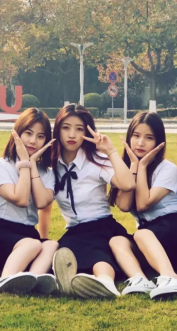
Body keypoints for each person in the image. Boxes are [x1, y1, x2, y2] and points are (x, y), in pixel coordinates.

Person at [46, 104, 136, 299]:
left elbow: (128, 184)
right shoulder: (52, 165)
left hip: (102, 226)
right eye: (66, 128)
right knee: (61, 253)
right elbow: (44, 205)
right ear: (58, 130)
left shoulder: (97, 160)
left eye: (79, 129)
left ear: (87, 132)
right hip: (75, 230)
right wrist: (43, 237)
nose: (72, 135)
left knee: (97, 251)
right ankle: (70, 282)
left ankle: (106, 283)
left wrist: (110, 151)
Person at [108, 112, 177, 299]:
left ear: (158, 142)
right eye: (136, 136)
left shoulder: (167, 169)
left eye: (149, 138)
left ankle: (171, 278)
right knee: (117, 241)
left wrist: (142, 166)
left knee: (142, 234)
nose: (140, 143)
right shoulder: (125, 170)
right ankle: (139, 279)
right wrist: (134, 166)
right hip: (151, 233)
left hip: (176, 227)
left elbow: (143, 204)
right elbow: (124, 205)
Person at [0, 108, 59, 295]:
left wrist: (33, 166)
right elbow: (21, 199)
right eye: (28, 133)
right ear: (17, 134)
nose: (33, 141)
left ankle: (35, 280)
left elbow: (42, 203)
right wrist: (25, 163)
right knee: (32, 244)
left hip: (27, 233)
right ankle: (4, 280)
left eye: (40, 136)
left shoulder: (47, 173)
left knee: (51, 245)